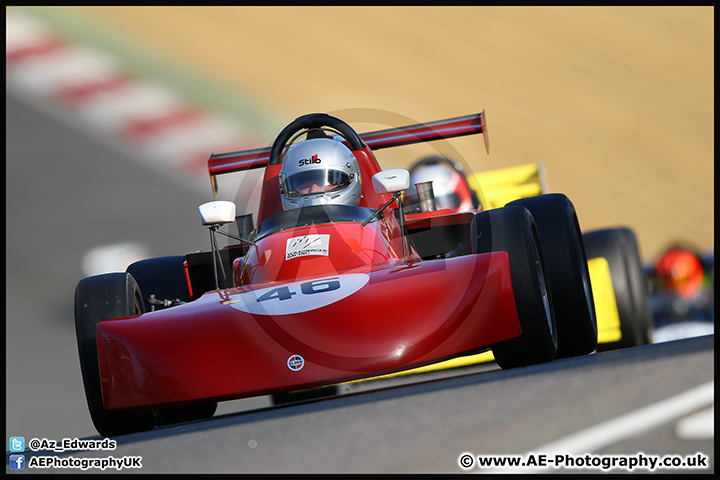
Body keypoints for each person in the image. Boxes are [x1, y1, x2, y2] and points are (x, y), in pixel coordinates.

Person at [278, 136, 362, 211]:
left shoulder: (373, 226)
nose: (313, 190)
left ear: (351, 178)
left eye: (322, 184)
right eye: (305, 186)